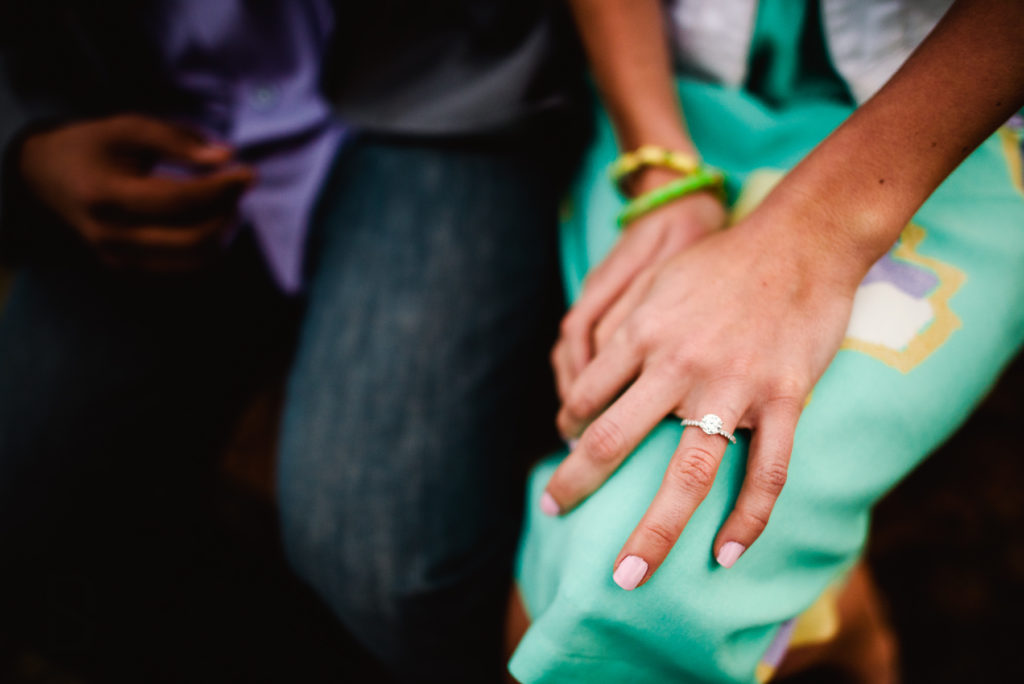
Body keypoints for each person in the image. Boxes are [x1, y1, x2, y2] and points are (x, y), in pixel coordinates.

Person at [0, 1, 585, 681]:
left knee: (390, 560)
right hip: (132, 100)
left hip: (443, 88)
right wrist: (21, 143)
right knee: (27, 505)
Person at [508, 0, 1024, 681]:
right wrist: (662, 171)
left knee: (631, 581)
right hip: (665, 98)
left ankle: (826, 604)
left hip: (948, 131)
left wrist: (815, 237)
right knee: (617, 536)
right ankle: (832, 603)